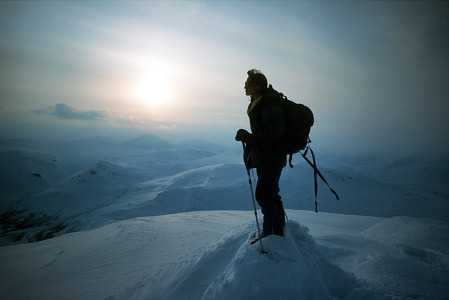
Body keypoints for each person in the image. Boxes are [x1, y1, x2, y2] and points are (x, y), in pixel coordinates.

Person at [235, 69, 286, 237]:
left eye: (248, 84)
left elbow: (272, 132)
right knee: (270, 194)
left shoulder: (269, 103)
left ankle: (273, 236)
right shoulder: (261, 101)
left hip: (271, 157)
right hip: (267, 157)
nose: (244, 86)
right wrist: (251, 138)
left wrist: (250, 138)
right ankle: (278, 231)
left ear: (257, 86)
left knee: (264, 196)